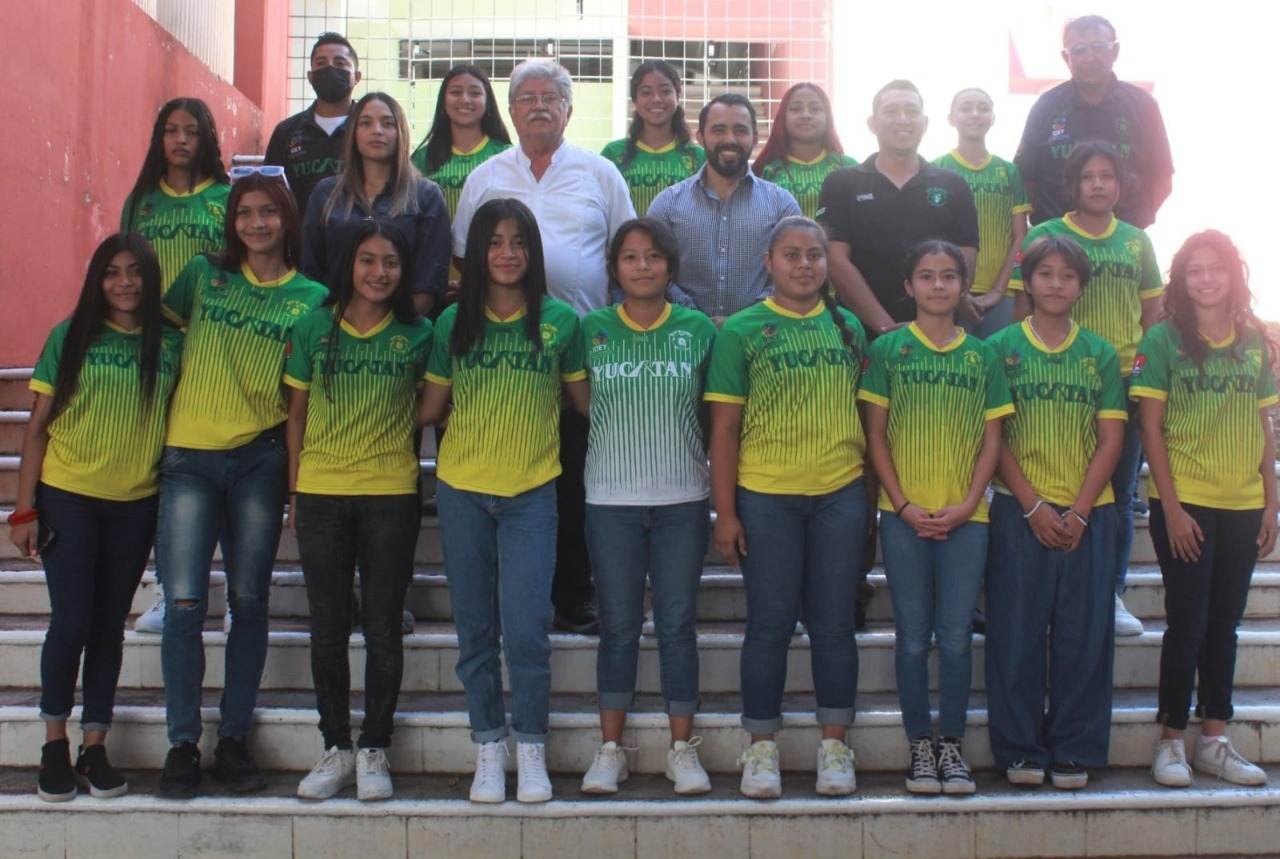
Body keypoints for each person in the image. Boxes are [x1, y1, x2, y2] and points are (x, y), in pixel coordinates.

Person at [154, 172, 328, 800]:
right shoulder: (204, 275)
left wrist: (297, 480)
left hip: (260, 460)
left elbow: (304, 397)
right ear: (231, 223)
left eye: (268, 213)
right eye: (245, 213)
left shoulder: (312, 298)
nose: (256, 224)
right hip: (188, 459)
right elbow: (157, 336)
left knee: (249, 604)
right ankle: (181, 745)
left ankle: (231, 740)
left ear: (287, 219)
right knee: (182, 606)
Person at [452, 60, 635, 634]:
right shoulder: (486, 175)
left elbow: (624, 256)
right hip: (500, 361)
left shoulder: (599, 173)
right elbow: (463, 255)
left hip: (576, 352)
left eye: (550, 98)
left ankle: (573, 595)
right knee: (508, 482)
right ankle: (508, 595)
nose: (537, 106)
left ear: (568, 110)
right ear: (509, 111)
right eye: (526, 97)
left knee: (574, 480)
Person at [419, 198, 588, 804]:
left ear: (533, 252)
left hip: (532, 494)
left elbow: (584, 404)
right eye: (494, 241)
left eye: (518, 241)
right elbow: (430, 408)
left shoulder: (561, 323)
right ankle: (489, 748)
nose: (507, 252)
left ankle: (533, 751)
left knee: (527, 631)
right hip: (463, 491)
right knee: (475, 631)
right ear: (478, 252)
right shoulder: (450, 325)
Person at [11, 235, 182, 802]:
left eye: (135, 272)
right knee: (73, 621)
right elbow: (35, 429)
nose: (125, 283)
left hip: (136, 502)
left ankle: (94, 745)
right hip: (69, 495)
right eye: (112, 273)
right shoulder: (71, 336)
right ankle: (54, 744)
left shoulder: (172, 344)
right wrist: (24, 508)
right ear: (97, 280)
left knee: (110, 626)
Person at [706, 216, 869, 799]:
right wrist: (726, 513)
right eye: (792, 255)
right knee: (769, 625)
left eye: (816, 256)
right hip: (767, 496)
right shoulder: (744, 330)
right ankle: (762, 748)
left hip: (840, 493)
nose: (805, 266)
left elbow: (869, 419)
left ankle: (834, 746)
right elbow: (724, 430)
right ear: (769, 262)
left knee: (833, 625)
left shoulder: (847, 327)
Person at [857, 240, 1013, 795]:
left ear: (963, 285)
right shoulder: (891, 349)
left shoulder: (983, 355)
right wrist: (901, 504)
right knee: (912, 638)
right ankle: (919, 746)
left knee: (954, 638)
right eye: (927, 276)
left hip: (967, 519)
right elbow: (875, 437)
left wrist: (970, 503)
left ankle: (952, 746)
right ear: (909, 286)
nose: (939, 286)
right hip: (903, 518)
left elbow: (994, 439)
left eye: (950, 276)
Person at [286, 221, 432, 802]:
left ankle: (374, 746)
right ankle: (335, 746)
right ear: (349, 263)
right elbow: (294, 414)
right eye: (368, 260)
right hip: (321, 493)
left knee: (381, 627)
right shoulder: (313, 326)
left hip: (392, 494)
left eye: (391, 262)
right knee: (326, 626)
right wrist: (295, 491)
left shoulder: (418, 334)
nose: (379, 272)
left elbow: (432, 406)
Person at [577, 219, 717, 796]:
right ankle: (610, 750)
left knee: (678, 626)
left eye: (654, 257)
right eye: (630, 258)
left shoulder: (698, 330)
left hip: (682, 499)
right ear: (614, 269)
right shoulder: (590, 330)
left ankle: (682, 750)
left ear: (670, 266)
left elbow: (715, 411)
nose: (642, 267)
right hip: (610, 501)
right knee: (618, 626)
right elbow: (581, 401)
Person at [985, 235, 1126, 790]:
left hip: (1091, 513)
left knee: (1084, 635)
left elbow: (1111, 439)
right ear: (1029, 280)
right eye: (1046, 273)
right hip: (1021, 512)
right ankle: (1020, 748)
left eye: (1068, 276)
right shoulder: (998, 348)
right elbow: (993, 437)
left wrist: (1082, 511)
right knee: (1016, 633)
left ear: (1081, 287)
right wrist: (1035, 505)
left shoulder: (1100, 353)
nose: (1057, 284)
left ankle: (1073, 747)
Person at [1138, 231, 1276, 788]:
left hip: (1243, 503)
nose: (1206, 279)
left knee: (1225, 626)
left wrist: (1271, 503)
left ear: (1233, 274)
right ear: (1181, 279)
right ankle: (1170, 740)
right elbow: (1149, 427)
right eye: (1194, 270)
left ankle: (1214, 738)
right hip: (1186, 503)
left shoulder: (1253, 342)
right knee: (1188, 624)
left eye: (1215, 268)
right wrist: (1170, 508)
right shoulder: (1164, 340)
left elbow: (1264, 426)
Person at [1009, 140, 1162, 636]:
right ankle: (1038, 583)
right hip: (1052, 376)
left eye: (1108, 176)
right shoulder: (1047, 235)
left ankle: (1111, 591)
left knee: (1115, 492)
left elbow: (1153, 314)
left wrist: (1141, 375)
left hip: (1118, 377)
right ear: (1072, 185)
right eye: (1089, 177)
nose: (1099, 185)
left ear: (1121, 184)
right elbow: (1019, 307)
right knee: (1048, 477)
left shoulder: (1137, 241)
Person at [121, 97, 230, 635]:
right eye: (172, 130)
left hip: (216, 350)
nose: (182, 140)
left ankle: (233, 589)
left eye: (192, 131)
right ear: (159, 138)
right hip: (153, 347)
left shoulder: (228, 200)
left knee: (224, 468)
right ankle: (169, 587)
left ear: (208, 138)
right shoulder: (141, 202)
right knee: (168, 471)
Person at [819, 80, 979, 334]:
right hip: (860, 334)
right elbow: (836, 260)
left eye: (912, 112)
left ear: (925, 124)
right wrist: (886, 327)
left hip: (938, 335)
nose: (903, 119)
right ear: (872, 123)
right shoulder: (841, 183)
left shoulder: (954, 185)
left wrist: (924, 328)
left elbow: (965, 259)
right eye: (891, 111)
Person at [648, 94, 800, 322]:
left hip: (761, 336)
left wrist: (745, 320)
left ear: (755, 137)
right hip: (683, 335)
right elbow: (652, 267)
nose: (730, 139)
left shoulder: (781, 205)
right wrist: (696, 319)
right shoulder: (668, 204)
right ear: (700, 137)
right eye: (718, 130)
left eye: (740, 130)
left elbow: (794, 271)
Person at [1015, 14, 1173, 228]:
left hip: (1122, 245)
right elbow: (1024, 178)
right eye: (1079, 50)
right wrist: (1051, 228)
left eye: (1099, 47)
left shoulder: (1144, 106)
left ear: (1115, 51)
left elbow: (1162, 179)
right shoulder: (1046, 106)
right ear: (1066, 57)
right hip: (1058, 246)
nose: (1090, 58)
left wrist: (1131, 227)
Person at [303, 92, 450, 317]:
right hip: (333, 329)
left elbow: (429, 281)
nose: (377, 130)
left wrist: (387, 332)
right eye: (366, 123)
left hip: (403, 334)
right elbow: (310, 272)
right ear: (353, 132)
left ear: (400, 132)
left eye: (388, 123)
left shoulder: (427, 196)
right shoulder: (325, 193)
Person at [933, 88, 1030, 337]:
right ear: (951, 118)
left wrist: (998, 290)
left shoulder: (1009, 172)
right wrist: (959, 292)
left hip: (1001, 295)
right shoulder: (936, 169)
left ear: (993, 118)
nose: (975, 114)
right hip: (947, 291)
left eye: (983, 108)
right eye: (966, 108)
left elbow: (1021, 236)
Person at [264, 32, 363, 217]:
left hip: (360, 240)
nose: (330, 68)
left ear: (357, 76)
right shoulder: (286, 132)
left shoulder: (370, 130)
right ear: (310, 76)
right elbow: (270, 193)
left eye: (340, 63)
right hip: (299, 241)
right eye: (321, 63)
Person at [601, 61, 705, 216]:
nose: (656, 99)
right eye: (646, 93)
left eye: (665, 91)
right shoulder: (613, 154)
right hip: (626, 240)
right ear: (635, 101)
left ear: (678, 96)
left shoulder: (698, 157)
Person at [409, 64, 512, 219]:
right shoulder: (421, 159)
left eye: (475, 93)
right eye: (456, 92)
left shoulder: (506, 155)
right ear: (443, 101)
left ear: (488, 102)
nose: (465, 99)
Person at [752, 82, 857, 219]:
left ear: (828, 118)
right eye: (796, 109)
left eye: (815, 109)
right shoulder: (767, 170)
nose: (806, 115)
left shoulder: (848, 167)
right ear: (783, 118)